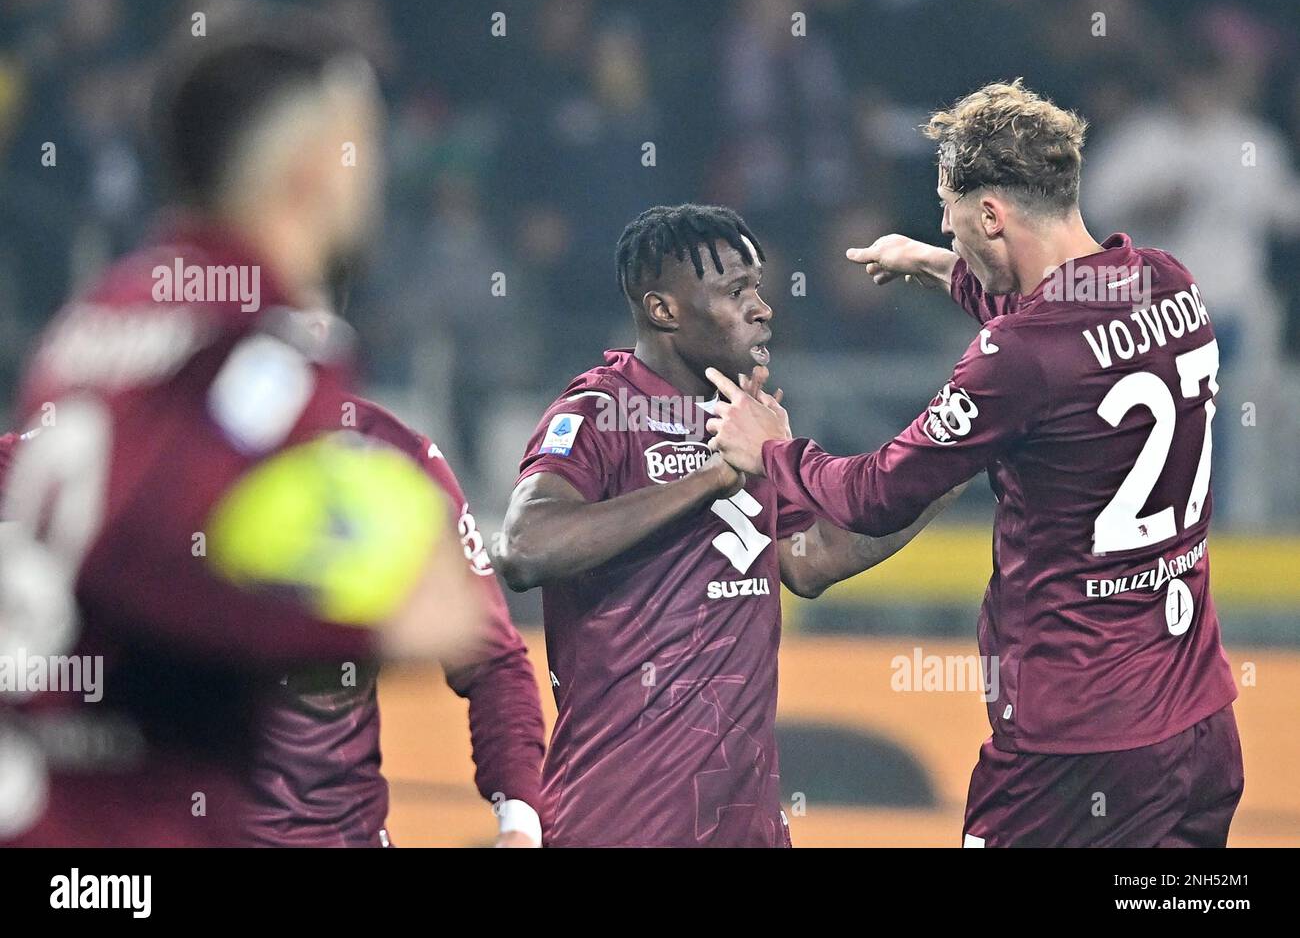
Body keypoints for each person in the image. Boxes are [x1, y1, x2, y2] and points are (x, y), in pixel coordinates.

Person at [707, 81, 1241, 847]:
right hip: (1201, 725)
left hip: (1075, 751)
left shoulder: (1019, 358)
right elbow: (1060, 334)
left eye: (948, 216)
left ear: (989, 213)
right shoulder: (1171, 284)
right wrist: (931, 262)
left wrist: (774, 451)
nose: (947, 231)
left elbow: (878, 492)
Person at [0, 6, 479, 846]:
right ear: (307, 168)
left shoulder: (99, 314)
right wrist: (358, 623)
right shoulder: (266, 336)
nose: (372, 171)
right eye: (358, 142)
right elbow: (142, 542)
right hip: (123, 837)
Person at [494, 203, 959, 847]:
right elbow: (523, 547)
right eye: (736, 291)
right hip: (621, 822)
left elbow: (810, 558)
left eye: (759, 287)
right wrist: (711, 478)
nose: (763, 307)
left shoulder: (746, 417)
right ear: (664, 311)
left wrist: (953, 467)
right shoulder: (600, 410)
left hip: (745, 825)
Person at [244, 397, 547, 848]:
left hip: (340, 835)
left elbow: (492, 660)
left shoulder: (395, 456)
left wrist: (519, 818)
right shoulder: (155, 448)